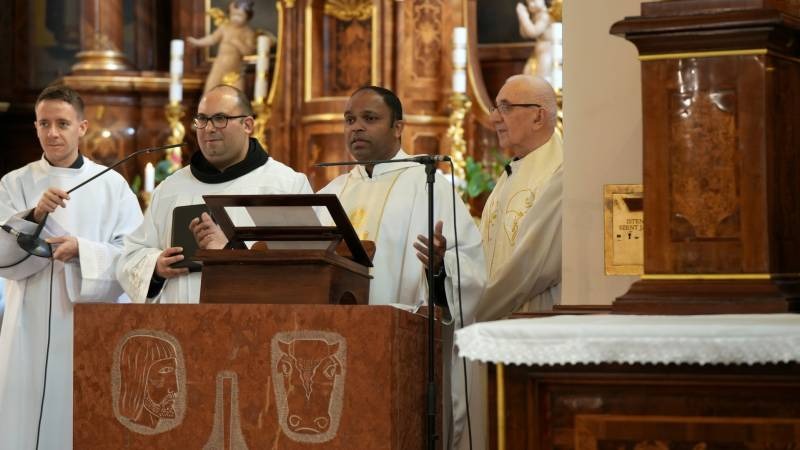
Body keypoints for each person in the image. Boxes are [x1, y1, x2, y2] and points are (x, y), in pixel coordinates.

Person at [318, 86, 486, 450]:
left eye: (369, 118)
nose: (356, 127)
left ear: (398, 127)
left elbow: (471, 270)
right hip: (334, 351)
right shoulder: (332, 193)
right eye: (350, 120)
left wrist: (440, 268)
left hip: (401, 350)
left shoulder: (428, 185)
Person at [0, 85, 143, 449]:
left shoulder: (112, 185)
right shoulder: (14, 183)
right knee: (24, 416)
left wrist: (84, 251)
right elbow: (2, 257)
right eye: (44, 123)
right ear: (35, 127)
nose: (52, 133)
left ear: (82, 127)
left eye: (62, 123)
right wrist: (35, 215)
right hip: (27, 319)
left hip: (89, 319)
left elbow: (134, 256)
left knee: (82, 415)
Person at [117, 84, 313, 303]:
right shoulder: (170, 189)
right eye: (202, 119)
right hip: (179, 321)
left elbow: (307, 265)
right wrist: (156, 267)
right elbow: (131, 256)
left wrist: (231, 252)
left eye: (220, 119)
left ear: (247, 125)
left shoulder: (286, 185)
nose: (208, 128)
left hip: (255, 321)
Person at [475, 74, 562, 322]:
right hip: (496, 325)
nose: (494, 118)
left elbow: (530, 268)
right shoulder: (511, 174)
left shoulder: (559, 173)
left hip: (534, 325)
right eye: (495, 108)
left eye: (506, 107)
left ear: (538, 116)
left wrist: (472, 309)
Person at [187, 0, 257, 94]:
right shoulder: (225, 28)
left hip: (235, 70)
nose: (235, 18)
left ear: (247, 16)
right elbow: (212, 39)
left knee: (237, 94)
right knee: (210, 89)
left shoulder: (248, 32)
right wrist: (197, 42)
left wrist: (238, 44)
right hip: (219, 66)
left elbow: (249, 51)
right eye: (233, 14)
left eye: (240, 15)